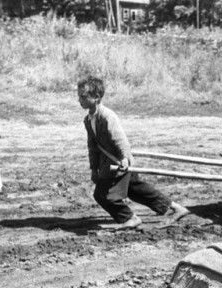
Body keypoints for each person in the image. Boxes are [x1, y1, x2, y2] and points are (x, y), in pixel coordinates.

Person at [78, 75, 189, 229]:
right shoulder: (88, 120)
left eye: (83, 96)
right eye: (79, 96)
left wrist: (125, 158)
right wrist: (94, 168)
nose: (79, 100)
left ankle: (129, 218)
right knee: (137, 190)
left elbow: (120, 139)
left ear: (96, 97)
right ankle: (177, 208)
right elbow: (93, 147)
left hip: (120, 163)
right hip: (110, 163)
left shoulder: (107, 116)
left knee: (102, 195)